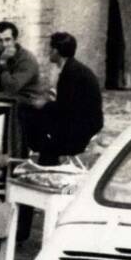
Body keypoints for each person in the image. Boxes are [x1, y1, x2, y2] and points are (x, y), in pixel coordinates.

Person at [20, 32, 103, 166]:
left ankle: (42, 161)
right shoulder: (74, 68)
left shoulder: (71, 73)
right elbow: (70, 102)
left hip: (81, 129)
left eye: (50, 49)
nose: (49, 52)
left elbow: (66, 108)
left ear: (56, 51)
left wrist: (44, 104)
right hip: (83, 123)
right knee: (36, 118)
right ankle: (41, 153)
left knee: (29, 116)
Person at [0, 21, 43, 103]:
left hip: (28, 102)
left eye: (8, 40)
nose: (4, 44)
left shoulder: (26, 59)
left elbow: (11, 88)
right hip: (5, 99)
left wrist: (3, 63)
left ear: (15, 40)